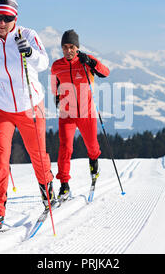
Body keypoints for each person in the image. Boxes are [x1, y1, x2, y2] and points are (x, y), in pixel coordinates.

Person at [0, 0, 55, 233]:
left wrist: (29, 52)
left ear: (15, 18)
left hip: (30, 105)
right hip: (0, 108)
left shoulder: (28, 35)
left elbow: (44, 63)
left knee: (37, 154)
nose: (1, 22)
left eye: (7, 17)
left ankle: (47, 186)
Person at [50, 29, 110, 200]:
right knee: (65, 148)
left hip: (87, 113)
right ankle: (64, 185)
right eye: (65, 47)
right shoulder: (56, 66)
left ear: (77, 47)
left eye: (71, 47)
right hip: (67, 114)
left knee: (92, 147)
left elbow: (105, 72)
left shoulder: (85, 61)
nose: (68, 51)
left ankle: (94, 164)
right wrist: (57, 100)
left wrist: (91, 61)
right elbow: (55, 87)